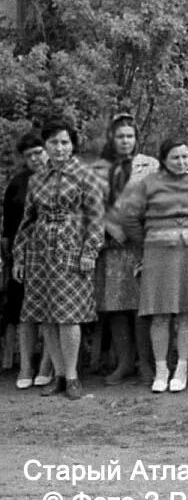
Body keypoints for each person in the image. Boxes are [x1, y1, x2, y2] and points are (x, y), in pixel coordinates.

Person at [13, 120, 107, 400]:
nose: (59, 148)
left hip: (71, 249)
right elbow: (27, 221)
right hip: (40, 252)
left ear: (73, 145)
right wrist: (19, 256)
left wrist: (90, 252)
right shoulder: (37, 178)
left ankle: (73, 377)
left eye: (65, 142)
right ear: (46, 146)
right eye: (53, 142)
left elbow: (96, 218)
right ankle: (59, 375)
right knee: (46, 316)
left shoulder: (85, 175)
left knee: (68, 316)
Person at [118, 138, 188, 394]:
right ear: (164, 160)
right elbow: (129, 219)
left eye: (185, 156)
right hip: (158, 257)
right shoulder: (148, 185)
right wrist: (149, 243)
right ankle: (161, 368)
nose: (181, 162)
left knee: (186, 314)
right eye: (175, 157)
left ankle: (182, 367)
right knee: (160, 315)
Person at [92, 113, 159, 386]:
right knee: (116, 305)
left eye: (130, 136)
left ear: (136, 138)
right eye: (120, 136)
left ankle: (146, 362)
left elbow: (158, 199)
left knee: (141, 305)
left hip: (141, 243)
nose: (125, 141)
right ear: (112, 138)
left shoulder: (150, 165)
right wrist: (108, 228)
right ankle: (124, 362)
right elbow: (93, 204)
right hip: (111, 246)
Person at [3, 131, 55, 389]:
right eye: (29, 155)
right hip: (23, 255)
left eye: (38, 152)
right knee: (24, 313)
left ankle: (47, 364)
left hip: (55, 253)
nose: (35, 158)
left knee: (50, 311)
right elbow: (10, 227)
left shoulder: (61, 178)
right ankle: (25, 365)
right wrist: (14, 258)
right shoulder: (18, 182)